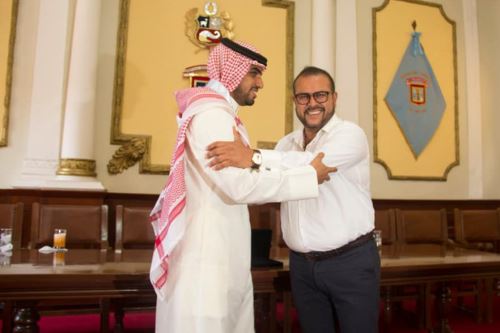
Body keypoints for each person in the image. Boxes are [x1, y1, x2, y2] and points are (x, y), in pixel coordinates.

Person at [150, 41, 337, 333]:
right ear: (230, 71)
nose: (260, 82)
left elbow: (252, 163)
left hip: (223, 254)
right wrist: (307, 177)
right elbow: (238, 186)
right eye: (254, 72)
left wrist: (304, 165)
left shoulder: (224, 116)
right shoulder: (212, 116)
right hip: (206, 261)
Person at [206, 66, 379, 333]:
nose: (312, 103)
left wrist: (253, 157)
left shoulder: (351, 135)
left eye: (320, 95)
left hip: (350, 263)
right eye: (303, 97)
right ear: (295, 101)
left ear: (334, 97)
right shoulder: (285, 145)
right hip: (301, 266)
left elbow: (313, 165)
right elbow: (271, 182)